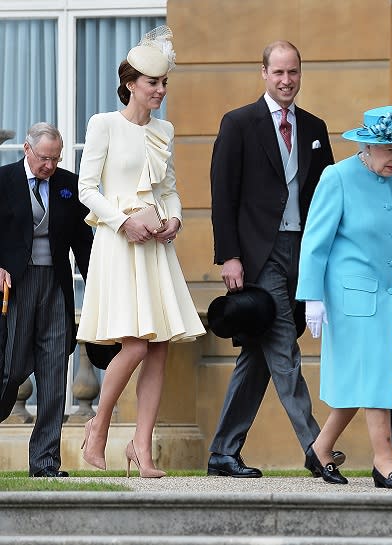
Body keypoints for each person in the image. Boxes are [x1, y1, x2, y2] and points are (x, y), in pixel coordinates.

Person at [76, 26, 205, 478]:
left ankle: (141, 448)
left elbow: (168, 189)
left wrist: (174, 219)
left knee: (160, 346)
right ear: (131, 83)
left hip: (155, 249)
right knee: (133, 343)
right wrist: (123, 222)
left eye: (164, 83)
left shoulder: (164, 130)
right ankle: (99, 425)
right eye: (153, 83)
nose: (161, 91)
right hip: (119, 244)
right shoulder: (103, 124)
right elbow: (86, 190)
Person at [208, 40, 339, 478]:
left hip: (302, 252)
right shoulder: (239, 124)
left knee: (260, 355)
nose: (286, 81)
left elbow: (329, 197)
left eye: (294, 73)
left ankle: (223, 451)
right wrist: (229, 256)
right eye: (279, 72)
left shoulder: (315, 127)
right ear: (263, 72)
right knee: (284, 348)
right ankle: (316, 447)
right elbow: (222, 196)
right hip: (258, 254)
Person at [297, 105, 392, 490]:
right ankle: (384, 460)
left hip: (389, 294)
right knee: (376, 375)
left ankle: (320, 449)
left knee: (366, 376)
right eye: (388, 151)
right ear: (366, 148)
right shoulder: (336, 177)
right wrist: (311, 298)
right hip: (349, 295)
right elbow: (314, 243)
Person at [0, 123, 94, 477]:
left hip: (55, 286)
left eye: (56, 159)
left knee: (55, 374)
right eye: (44, 159)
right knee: (9, 372)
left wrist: (97, 284)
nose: (50, 166)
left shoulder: (69, 185)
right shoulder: (4, 180)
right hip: (16, 285)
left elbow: (83, 242)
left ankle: (45, 463)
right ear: (26, 150)